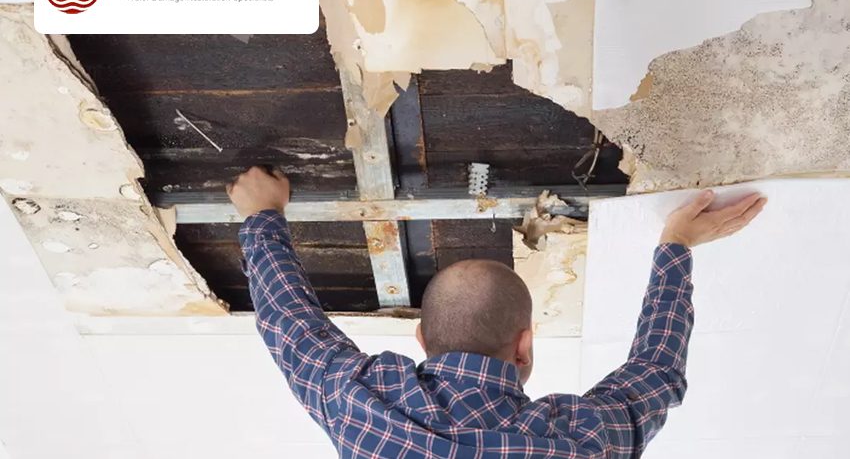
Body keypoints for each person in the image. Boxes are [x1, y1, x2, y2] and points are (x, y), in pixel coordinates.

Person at [226, 166, 767, 458]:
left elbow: (289, 322)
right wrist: (675, 244)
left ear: (421, 337)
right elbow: (289, 323)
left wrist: (262, 215)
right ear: (524, 344)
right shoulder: (580, 440)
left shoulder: (359, 404)